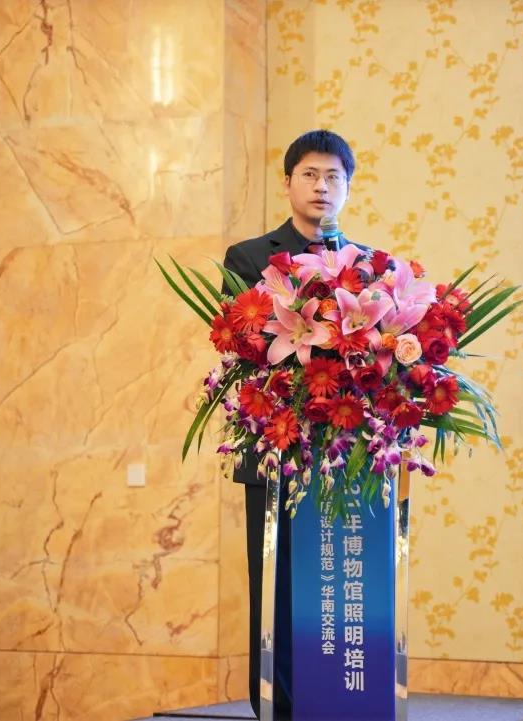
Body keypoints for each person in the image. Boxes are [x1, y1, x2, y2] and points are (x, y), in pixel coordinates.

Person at [222, 129, 355, 720]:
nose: (322, 186)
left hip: (347, 451)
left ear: (347, 187)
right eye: (310, 174)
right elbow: (243, 340)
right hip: (276, 444)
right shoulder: (250, 257)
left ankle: (345, 698)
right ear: (287, 183)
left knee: (341, 582)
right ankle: (276, 707)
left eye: (333, 177)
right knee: (276, 586)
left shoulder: (369, 265)